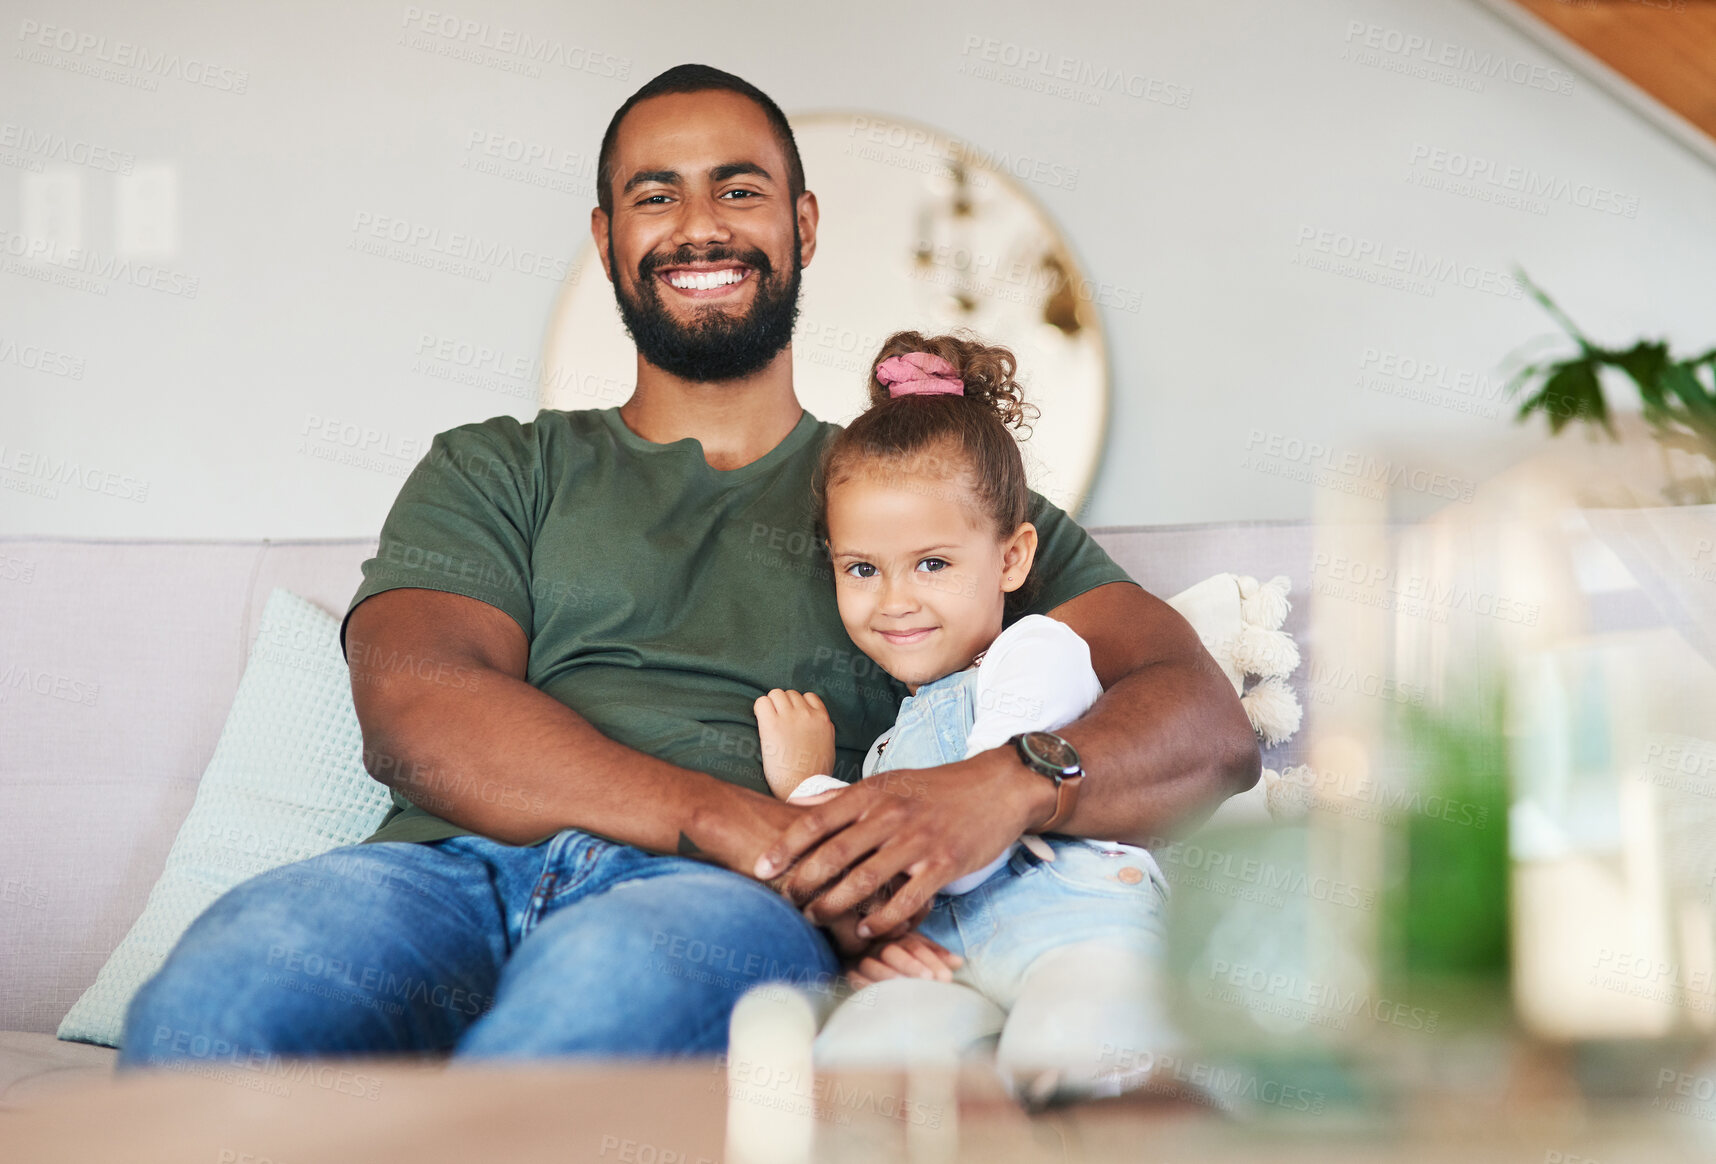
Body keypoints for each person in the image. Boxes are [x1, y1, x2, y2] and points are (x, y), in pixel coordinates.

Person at [118, 63, 1257, 1071]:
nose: (699, 226)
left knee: (584, 1027)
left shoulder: (926, 497)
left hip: (715, 913)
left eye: (740, 190)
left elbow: (1201, 721)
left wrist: (1003, 786)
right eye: (655, 195)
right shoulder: (501, 469)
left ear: (805, 225)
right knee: (211, 1017)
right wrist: (737, 820)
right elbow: (419, 714)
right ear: (608, 236)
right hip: (442, 876)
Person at [753, 333, 1178, 1103]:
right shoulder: (893, 738)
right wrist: (873, 925)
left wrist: (809, 789)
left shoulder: (1037, 653)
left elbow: (967, 832)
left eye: (933, 563)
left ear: (1011, 559)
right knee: (862, 1064)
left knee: (1077, 1052)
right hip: (947, 955)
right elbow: (874, 866)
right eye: (861, 570)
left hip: (1076, 930)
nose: (895, 601)